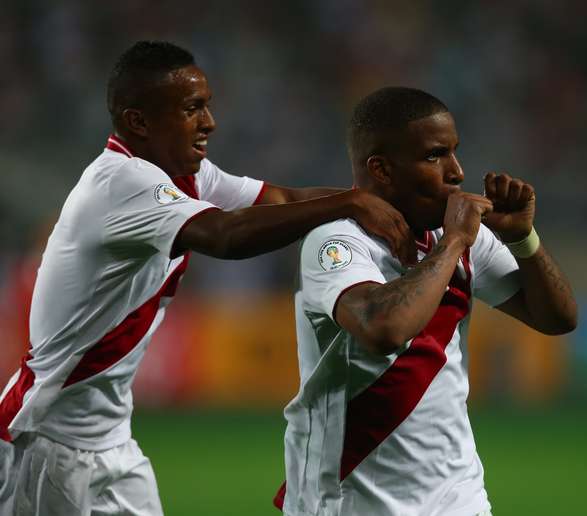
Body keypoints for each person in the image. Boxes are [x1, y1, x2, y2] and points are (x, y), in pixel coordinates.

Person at [0, 41, 417, 516]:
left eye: (207, 106)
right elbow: (225, 236)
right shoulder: (119, 183)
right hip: (45, 443)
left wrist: (390, 201)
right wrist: (351, 204)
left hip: (110, 441)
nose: (209, 122)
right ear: (139, 122)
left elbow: (280, 201)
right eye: (192, 109)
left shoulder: (185, 176)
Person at [276, 87, 578, 515]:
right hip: (348, 500)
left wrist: (521, 238)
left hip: (458, 498)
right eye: (435, 155)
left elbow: (559, 317)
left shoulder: (459, 239)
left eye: (455, 152)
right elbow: (383, 329)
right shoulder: (336, 241)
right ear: (380, 168)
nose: (456, 171)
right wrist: (454, 241)